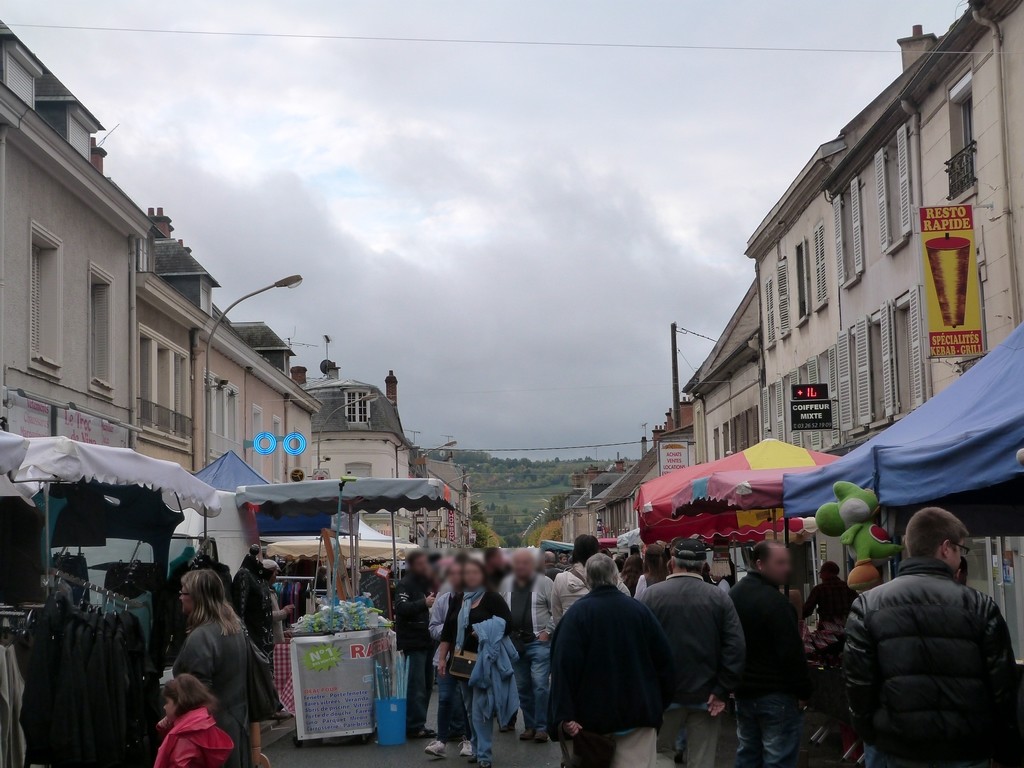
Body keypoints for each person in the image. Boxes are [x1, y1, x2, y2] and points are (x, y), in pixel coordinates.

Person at [845, 507, 1021, 768]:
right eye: (961, 549)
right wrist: (1007, 750)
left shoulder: (868, 605)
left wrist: (873, 734)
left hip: (898, 746)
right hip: (965, 748)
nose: (961, 557)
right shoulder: (980, 606)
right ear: (946, 547)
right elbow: (1003, 688)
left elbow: (858, 683)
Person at [550, 555, 675, 768]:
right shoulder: (639, 611)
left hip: (588, 722)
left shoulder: (576, 616)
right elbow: (665, 662)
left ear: (588, 579)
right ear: (616, 576)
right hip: (638, 716)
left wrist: (563, 716)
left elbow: (563, 667)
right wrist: (657, 703)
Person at [642, 540, 745, 768]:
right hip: (707, 695)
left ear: (672, 563)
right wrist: (722, 689)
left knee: (660, 754)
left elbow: (636, 647)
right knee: (702, 759)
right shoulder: (719, 598)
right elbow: (735, 647)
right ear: (702, 565)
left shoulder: (649, 597)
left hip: (662, 696)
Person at [729, 541, 812, 768]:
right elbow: (791, 652)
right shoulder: (776, 603)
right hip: (777, 694)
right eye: (780, 563)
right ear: (760, 564)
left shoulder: (734, 596)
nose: (787, 568)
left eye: (787, 562)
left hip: (744, 691)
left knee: (748, 754)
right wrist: (803, 690)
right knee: (778, 758)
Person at [438, 557, 513, 768]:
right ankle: (476, 745)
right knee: (470, 708)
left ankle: (484, 754)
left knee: (482, 707)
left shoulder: (492, 598)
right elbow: (448, 631)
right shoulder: (458, 598)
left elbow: (508, 625)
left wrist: (483, 631)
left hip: (484, 661)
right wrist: (442, 658)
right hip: (461, 661)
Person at [173, 570, 249, 768]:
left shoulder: (202, 636)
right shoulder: (234, 628)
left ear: (198, 598)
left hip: (212, 733)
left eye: (184, 593)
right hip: (235, 723)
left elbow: (198, 697)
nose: (180, 597)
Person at [500, 549, 555, 743]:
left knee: (540, 684)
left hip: (538, 642)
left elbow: (556, 611)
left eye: (525, 563)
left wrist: (547, 632)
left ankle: (542, 726)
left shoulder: (545, 583)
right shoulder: (505, 585)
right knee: (522, 686)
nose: (521, 567)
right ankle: (530, 725)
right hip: (515, 644)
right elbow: (500, 611)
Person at [425, 557, 473, 759]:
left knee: (467, 701)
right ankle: (441, 741)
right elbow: (433, 627)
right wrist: (449, 630)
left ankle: (469, 740)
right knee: (445, 699)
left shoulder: (475, 599)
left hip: (468, 657)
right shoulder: (444, 600)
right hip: (445, 656)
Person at [394, 549, 437, 739]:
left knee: (427, 684)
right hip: (414, 641)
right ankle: (414, 725)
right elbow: (401, 608)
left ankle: (420, 722)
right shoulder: (405, 584)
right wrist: (424, 603)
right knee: (417, 685)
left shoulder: (424, 582)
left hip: (427, 640)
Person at [155, 674, 234, 768]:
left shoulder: (184, 736)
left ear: (179, 702)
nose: (164, 707)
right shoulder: (201, 723)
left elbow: (178, 762)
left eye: (167, 702)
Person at [551, 534, 628, 625]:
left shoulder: (561, 579)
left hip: (573, 630)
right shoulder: (610, 579)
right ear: (597, 552)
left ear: (575, 552)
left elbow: (556, 615)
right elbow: (626, 596)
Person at [231, 546, 273, 657]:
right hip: (253, 635)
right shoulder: (244, 575)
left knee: (264, 667)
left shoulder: (259, 575)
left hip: (263, 635)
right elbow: (239, 610)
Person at [262, 560, 293, 645]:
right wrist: (284, 612)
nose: (276, 577)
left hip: (274, 640)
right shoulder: (262, 592)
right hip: (269, 642)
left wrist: (282, 632)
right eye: (275, 574)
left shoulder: (270, 590)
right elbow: (264, 615)